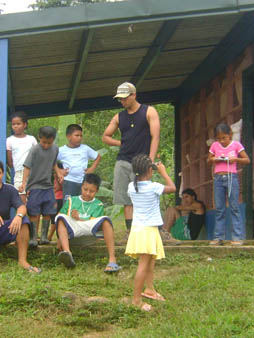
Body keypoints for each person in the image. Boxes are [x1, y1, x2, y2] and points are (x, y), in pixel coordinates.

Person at [102, 82, 171, 241]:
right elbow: (105, 136)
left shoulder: (149, 111)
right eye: (120, 99)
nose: (122, 101)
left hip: (142, 162)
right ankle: (130, 232)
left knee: (148, 196)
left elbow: (155, 136)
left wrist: (151, 160)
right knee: (127, 200)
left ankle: (159, 232)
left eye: (125, 98)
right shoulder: (119, 116)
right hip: (123, 160)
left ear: (133, 95)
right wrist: (121, 143)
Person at [125, 154, 176, 312]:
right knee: (143, 265)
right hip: (147, 230)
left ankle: (150, 289)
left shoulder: (131, 187)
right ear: (149, 170)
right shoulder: (154, 187)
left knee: (150, 261)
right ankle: (136, 300)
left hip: (140, 229)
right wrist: (164, 173)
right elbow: (173, 188)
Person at [54, 173, 121, 273]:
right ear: (81, 187)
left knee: (106, 220)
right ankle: (67, 253)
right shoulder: (72, 200)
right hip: (72, 235)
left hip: (89, 235)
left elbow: (93, 223)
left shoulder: (98, 204)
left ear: (97, 191)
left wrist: (79, 218)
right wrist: (59, 238)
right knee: (61, 217)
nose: (88, 193)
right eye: (85, 189)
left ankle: (112, 259)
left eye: (92, 191)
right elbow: (60, 220)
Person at [207, 123, 250, 246]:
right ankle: (218, 237)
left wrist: (235, 160)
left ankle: (237, 237)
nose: (222, 141)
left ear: (230, 135)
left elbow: (247, 160)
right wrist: (214, 159)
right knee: (219, 208)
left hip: (231, 177)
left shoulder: (236, 145)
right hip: (218, 178)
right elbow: (209, 159)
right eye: (219, 139)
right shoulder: (215, 145)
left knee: (234, 206)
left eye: (224, 138)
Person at [21, 126, 60, 247]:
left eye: (49, 143)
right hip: (34, 185)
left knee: (48, 211)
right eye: (44, 142)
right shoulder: (34, 150)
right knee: (34, 212)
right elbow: (27, 167)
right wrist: (24, 183)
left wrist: (58, 173)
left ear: (53, 140)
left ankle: (44, 237)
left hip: (48, 185)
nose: (46, 145)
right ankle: (33, 237)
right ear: (39, 138)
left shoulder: (55, 149)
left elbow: (54, 164)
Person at [57, 124, 101, 199]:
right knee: (69, 204)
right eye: (76, 135)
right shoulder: (61, 150)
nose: (79, 138)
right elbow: (51, 160)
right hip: (69, 181)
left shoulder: (85, 148)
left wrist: (91, 169)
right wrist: (58, 171)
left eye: (81, 136)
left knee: (83, 202)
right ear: (68, 136)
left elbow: (98, 157)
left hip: (84, 182)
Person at [6, 111, 38, 203]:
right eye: (13, 124)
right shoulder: (9, 140)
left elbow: (37, 154)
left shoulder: (31, 139)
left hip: (33, 173)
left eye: (18, 124)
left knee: (33, 199)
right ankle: (23, 217)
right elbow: (10, 160)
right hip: (19, 172)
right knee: (21, 199)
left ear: (25, 124)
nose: (15, 126)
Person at [48, 163, 65, 243]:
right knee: (53, 218)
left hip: (58, 198)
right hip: (57, 197)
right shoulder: (57, 176)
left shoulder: (60, 177)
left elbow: (59, 187)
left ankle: (50, 236)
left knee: (54, 219)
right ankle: (50, 236)